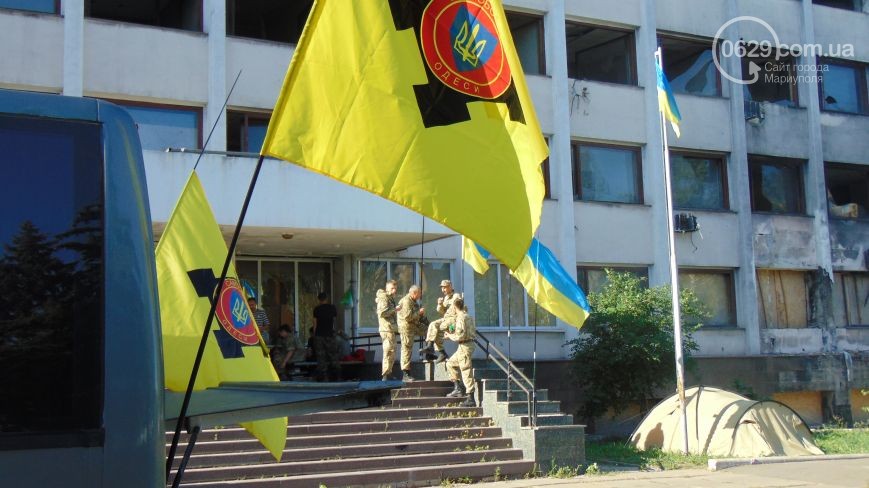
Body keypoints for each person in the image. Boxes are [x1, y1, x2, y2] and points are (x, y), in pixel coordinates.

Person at [444, 298, 477, 407]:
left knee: (466, 370)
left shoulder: (461, 318)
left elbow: (460, 335)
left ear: (454, 307)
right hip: (465, 345)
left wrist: (449, 336)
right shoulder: (468, 316)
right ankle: (458, 388)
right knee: (450, 363)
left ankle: (471, 398)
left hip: (465, 345)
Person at [420, 279, 462, 364]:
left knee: (439, 328)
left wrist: (453, 327)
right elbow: (442, 312)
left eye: (445, 288)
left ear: (450, 287)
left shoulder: (456, 296)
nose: (443, 290)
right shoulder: (446, 298)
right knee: (433, 325)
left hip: (453, 321)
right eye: (442, 288)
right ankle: (433, 347)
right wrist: (440, 304)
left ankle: (434, 348)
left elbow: (459, 309)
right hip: (446, 319)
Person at [397, 284, 426, 382]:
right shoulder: (406, 301)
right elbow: (407, 317)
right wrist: (419, 313)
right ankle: (405, 374)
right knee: (406, 349)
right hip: (406, 328)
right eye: (419, 293)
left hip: (413, 326)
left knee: (430, 330)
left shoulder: (413, 302)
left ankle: (429, 351)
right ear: (414, 293)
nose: (420, 295)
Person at [375, 280, 401, 381]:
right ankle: (385, 375)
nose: (394, 291)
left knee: (392, 351)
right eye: (392, 288)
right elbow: (382, 313)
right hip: (386, 329)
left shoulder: (390, 298)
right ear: (387, 288)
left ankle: (388, 373)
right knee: (388, 351)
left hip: (390, 329)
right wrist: (395, 310)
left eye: (395, 289)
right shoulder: (384, 298)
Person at [312, 292, 340, 381]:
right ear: (326, 298)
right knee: (333, 355)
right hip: (330, 334)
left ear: (319, 299)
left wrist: (314, 334)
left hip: (319, 335)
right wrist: (335, 332)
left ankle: (322, 377)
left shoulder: (316, 309)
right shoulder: (332, 308)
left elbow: (315, 323)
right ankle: (336, 376)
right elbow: (335, 321)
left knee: (321, 356)